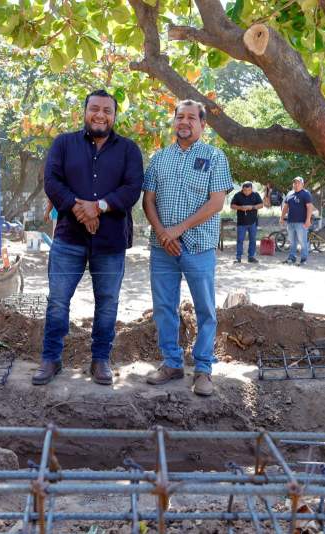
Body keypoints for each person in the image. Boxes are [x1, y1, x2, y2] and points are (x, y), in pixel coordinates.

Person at [33, 89, 144, 387]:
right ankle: (51, 358)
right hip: (69, 237)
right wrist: (79, 209)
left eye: (107, 110)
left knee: (107, 303)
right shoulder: (64, 144)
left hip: (110, 242)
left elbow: (132, 188)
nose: (100, 114)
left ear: (114, 115)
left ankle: (100, 360)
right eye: (94, 108)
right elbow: (52, 181)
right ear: (84, 112)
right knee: (58, 301)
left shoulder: (129, 150)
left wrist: (100, 207)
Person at [142, 100, 233, 397]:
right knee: (164, 308)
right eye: (180, 116)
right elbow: (148, 201)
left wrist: (177, 231)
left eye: (191, 117)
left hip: (198, 247)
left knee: (206, 310)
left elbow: (217, 202)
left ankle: (204, 369)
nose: (184, 121)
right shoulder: (159, 159)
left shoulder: (214, 157)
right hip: (162, 248)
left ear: (202, 124)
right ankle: (171, 363)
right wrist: (163, 235)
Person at [280, 177, 313, 265]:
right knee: (292, 241)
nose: (296, 184)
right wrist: (282, 217)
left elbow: (310, 207)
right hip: (290, 222)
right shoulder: (290, 194)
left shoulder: (306, 194)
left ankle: (303, 259)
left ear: (302, 184)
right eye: (294, 183)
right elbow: (286, 207)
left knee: (302, 242)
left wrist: (308, 220)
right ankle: (292, 258)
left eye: (298, 183)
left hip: (301, 222)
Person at [230, 181, 263, 263]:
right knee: (240, 240)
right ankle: (238, 257)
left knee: (253, 240)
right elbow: (232, 205)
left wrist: (252, 207)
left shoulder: (256, 195)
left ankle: (251, 257)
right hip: (241, 222)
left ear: (251, 189)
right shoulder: (237, 195)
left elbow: (261, 205)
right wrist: (241, 208)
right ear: (242, 189)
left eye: (248, 190)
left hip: (252, 222)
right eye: (245, 190)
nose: (247, 192)